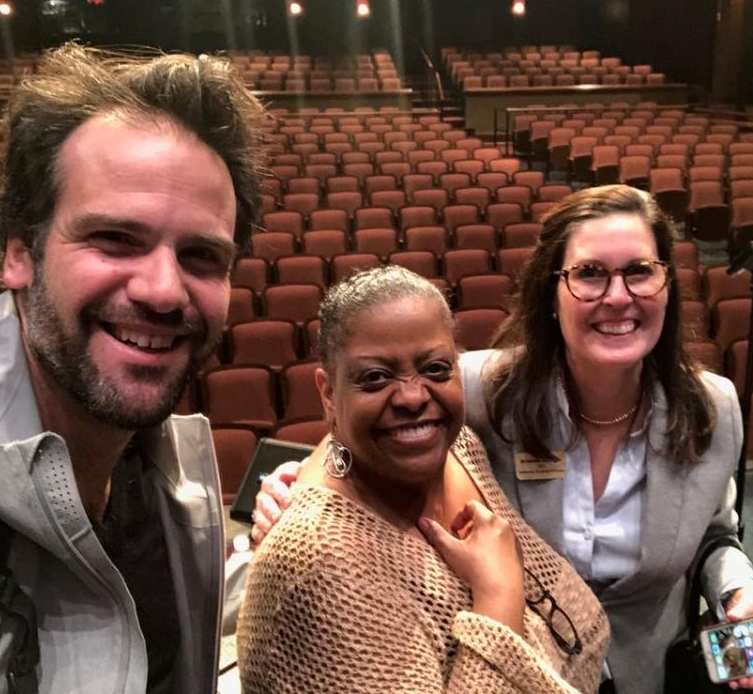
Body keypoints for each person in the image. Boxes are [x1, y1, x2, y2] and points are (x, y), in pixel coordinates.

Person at [250, 186, 753, 694]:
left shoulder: (712, 409)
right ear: (552, 294)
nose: (618, 296)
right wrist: (294, 487)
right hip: (520, 667)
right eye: (590, 274)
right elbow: (376, 411)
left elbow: (716, 532)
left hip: (650, 672)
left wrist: (737, 592)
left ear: (666, 286)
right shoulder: (483, 389)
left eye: (639, 272)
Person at [0, 43, 264, 693]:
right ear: (19, 255)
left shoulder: (170, 467)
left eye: (200, 255)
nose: (165, 290)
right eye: (115, 239)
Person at [237, 265, 609, 694]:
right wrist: (498, 596)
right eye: (375, 377)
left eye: (435, 369)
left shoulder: (458, 447)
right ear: (327, 393)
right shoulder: (320, 561)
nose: (414, 396)